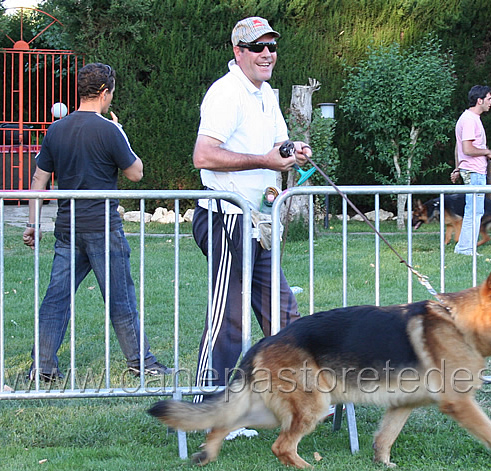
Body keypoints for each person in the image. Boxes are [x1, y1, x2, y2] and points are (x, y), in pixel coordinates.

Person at [190, 17, 311, 437]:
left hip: (259, 222)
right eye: (256, 46)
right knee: (230, 320)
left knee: (283, 312)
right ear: (238, 51)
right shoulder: (226, 93)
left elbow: (275, 147)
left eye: (271, 47)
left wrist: (291, 150)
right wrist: (265, 161)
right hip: (225, 219)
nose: (266, 54)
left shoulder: (266, 94)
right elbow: (204, 156)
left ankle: (297, 401)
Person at [22, 63, 171, 382]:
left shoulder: (56, 130)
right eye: (112, 93)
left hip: (68, 229)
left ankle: (42, 367)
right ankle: (141, 362)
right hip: (103, 228)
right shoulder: (108, 130)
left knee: (56, 298)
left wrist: (32, 223)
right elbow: (136, 172)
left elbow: (39, 179)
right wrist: (121, 133)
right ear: (105, 92)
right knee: (121, 298)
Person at [450, 85, 491, 255]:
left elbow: (458, 147)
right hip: (474, 171)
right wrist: (486, 152)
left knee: (474, 210)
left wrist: (457, 167)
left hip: (471, 170)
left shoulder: (469, 118)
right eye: (489, 98)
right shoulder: (469, 119)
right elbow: (467, 149)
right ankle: (465, 248)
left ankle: (464, 247)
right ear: (479, 100)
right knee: (474, 211)